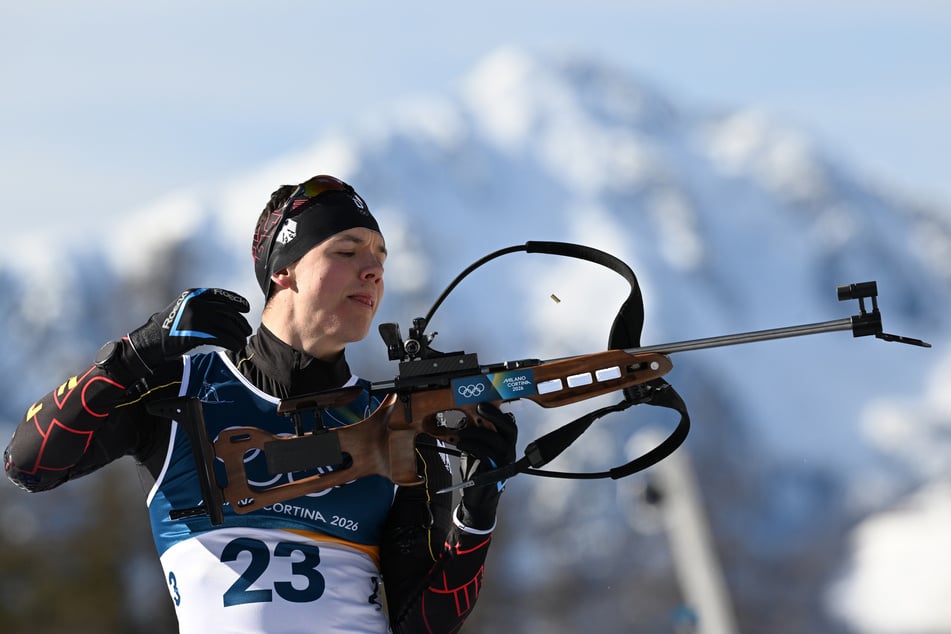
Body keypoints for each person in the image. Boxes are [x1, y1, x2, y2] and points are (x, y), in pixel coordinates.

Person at [4, 175, 518, 633]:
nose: (373, 270)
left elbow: (422, 622)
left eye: (381, 256)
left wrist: (478, 510)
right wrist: (135, 353)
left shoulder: (391, 421)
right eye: (347, 250)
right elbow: (29, 463)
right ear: (284, 271)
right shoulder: (183, 392)